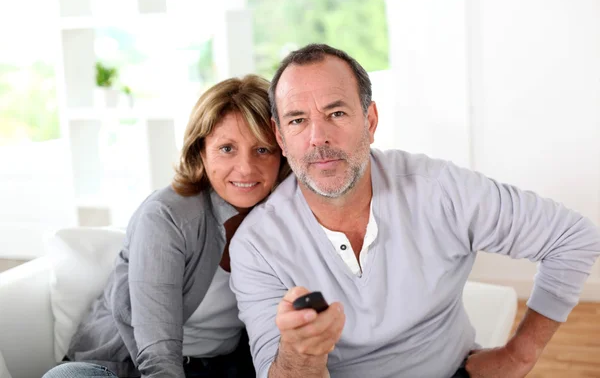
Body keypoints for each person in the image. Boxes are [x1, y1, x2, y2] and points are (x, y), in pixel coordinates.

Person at [228, 44, 600, 378]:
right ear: (280, 136)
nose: (318, 138)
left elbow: (573, 238)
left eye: (336, 113)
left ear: (370, 121)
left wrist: (519, 356)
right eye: (298, 120)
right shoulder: (257, 245)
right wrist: (300, 353)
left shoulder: (438, 189)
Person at [43, 75, 290, 378]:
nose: (246, 168)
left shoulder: (285, 218)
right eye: (227, 148)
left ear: (283, 153)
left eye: (263, 149)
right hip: (121, 367)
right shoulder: (166, 215)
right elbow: (157, 354)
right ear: (201, 151)